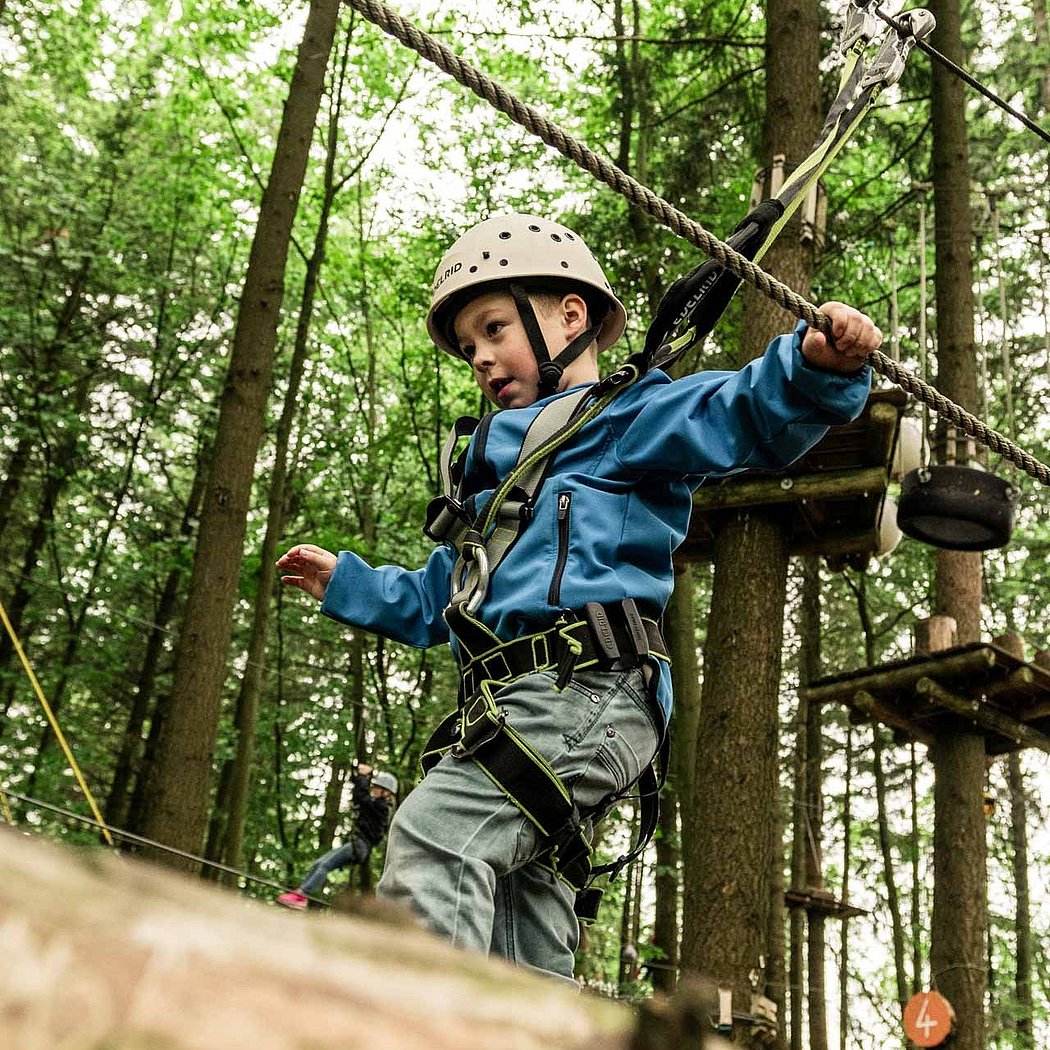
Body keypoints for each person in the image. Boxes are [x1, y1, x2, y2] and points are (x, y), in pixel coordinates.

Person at [277, 213, 881, 980]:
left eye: (495, 328)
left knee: (436, 837)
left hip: (584, 692)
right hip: (527, 710)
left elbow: (731, 416)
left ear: (570, 316)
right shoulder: (500, 492)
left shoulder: (623, 419)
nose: (483, 358)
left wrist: (814, 369)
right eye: (469, 347)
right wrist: (351, 585)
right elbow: (445, 598)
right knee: (519, 930)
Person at [276, 763, 398, 910]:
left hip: (359, 845)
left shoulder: (382, 807)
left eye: (377, 787)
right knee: (320, 863)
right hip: (357, 844)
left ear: (386, 792)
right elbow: (360, 794)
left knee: (324, 865)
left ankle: (301, 896)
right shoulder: (377, 805)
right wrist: (359, 776)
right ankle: (300, 894)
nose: (373, 789)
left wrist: (363, 776)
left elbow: (361, 796)